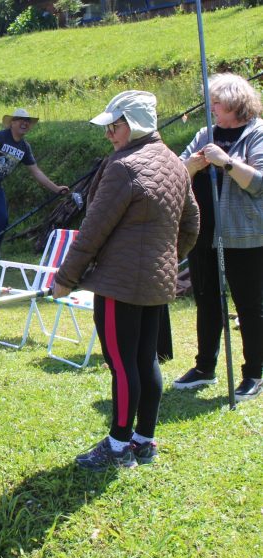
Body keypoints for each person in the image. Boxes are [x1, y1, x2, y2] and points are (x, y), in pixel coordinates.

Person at [52, 91, 200, 471]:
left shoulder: (123, 166)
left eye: (113, 127)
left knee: (121, 364)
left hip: (119, 285)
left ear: (132, 125)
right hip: (155, 283)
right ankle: (144, 440)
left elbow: (93, 229)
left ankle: (118, 446)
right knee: (145, 359)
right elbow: (191, 225)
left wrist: (66, 278)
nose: (109, 136)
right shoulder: (175, 163)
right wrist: (165, 260)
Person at [170, 73, 263, 400]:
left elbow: (258, 183)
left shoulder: (257, 134)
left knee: (249, 305)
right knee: (207, 300)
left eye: (217, 103)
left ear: (236, 104)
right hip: (202, 232)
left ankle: (253, 374)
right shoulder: (204, 134)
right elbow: (176, 173)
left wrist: (226, 163)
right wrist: (194, 165)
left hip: (244, 233)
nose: (211, 108)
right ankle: (204, 367)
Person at [0, 108, 69, 265]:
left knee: (2, 219)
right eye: (21, 120)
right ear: (12, 123)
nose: (25, 123)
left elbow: (35, 171)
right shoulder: (1, 137)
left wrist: (56, 188)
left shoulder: (24, 147)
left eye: (27, 121)